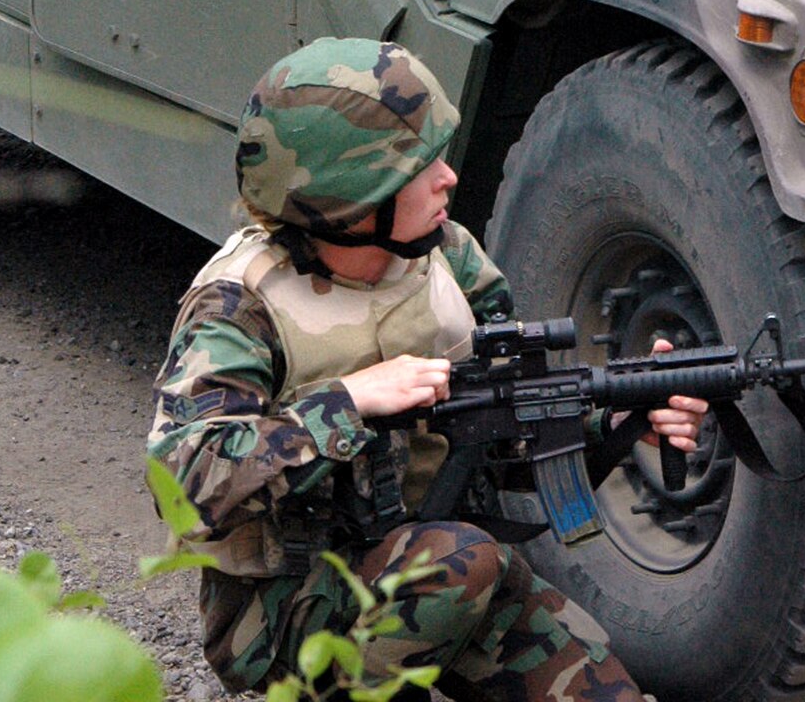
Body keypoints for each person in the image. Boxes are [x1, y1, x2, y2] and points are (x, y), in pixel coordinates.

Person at [149, 39, 707, 699]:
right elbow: (183, 483)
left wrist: (616, 420)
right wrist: (349, 402)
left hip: (443, 568)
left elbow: (504, 443)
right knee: (462, 559)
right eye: (421, 166)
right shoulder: (241, 305)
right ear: (348, 196)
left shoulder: (448, 263)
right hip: (290, 608)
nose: (448, 177)